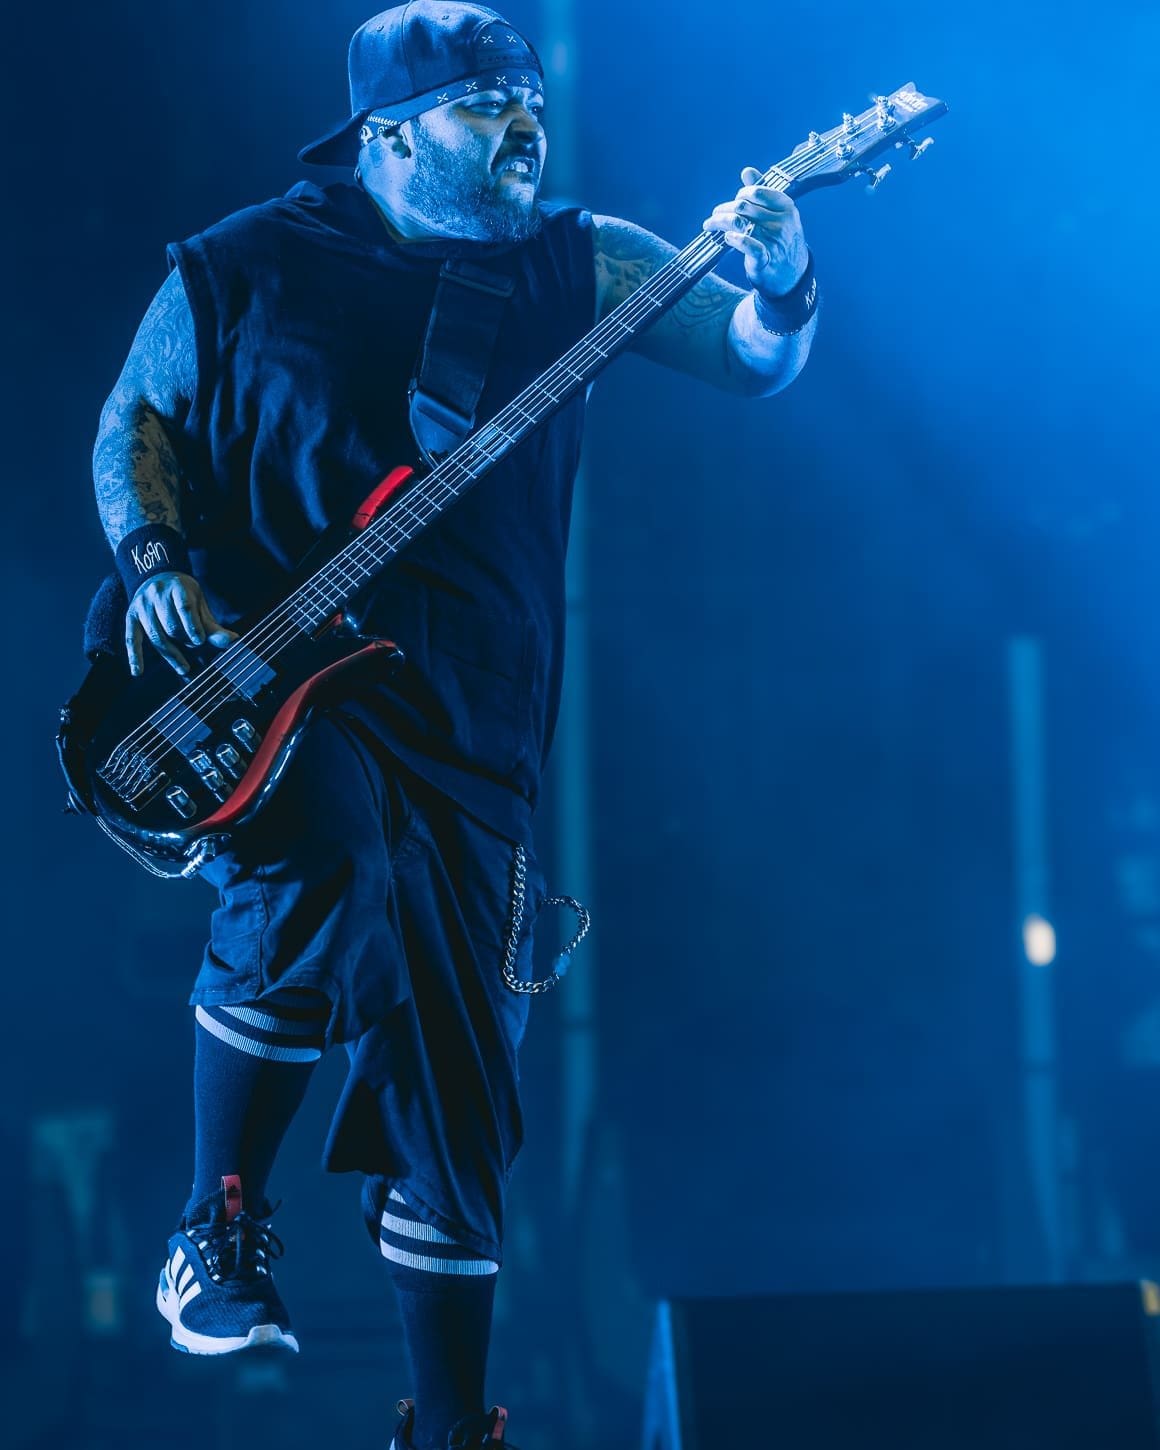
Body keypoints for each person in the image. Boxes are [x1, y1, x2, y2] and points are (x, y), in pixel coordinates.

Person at [88, 4, 818, 1446]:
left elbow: (747, 357)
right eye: (486, 104)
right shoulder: (243, 264)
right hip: (279, 691)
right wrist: (158, 563)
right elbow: (135, 423)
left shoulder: (574, 263)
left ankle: (454, 1422)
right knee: (330, 848)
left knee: (461, 1096)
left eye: (527, 99)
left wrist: (786, 286)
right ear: (392, 132)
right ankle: (212, 1224)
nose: (524, 124)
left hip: (477, 728)